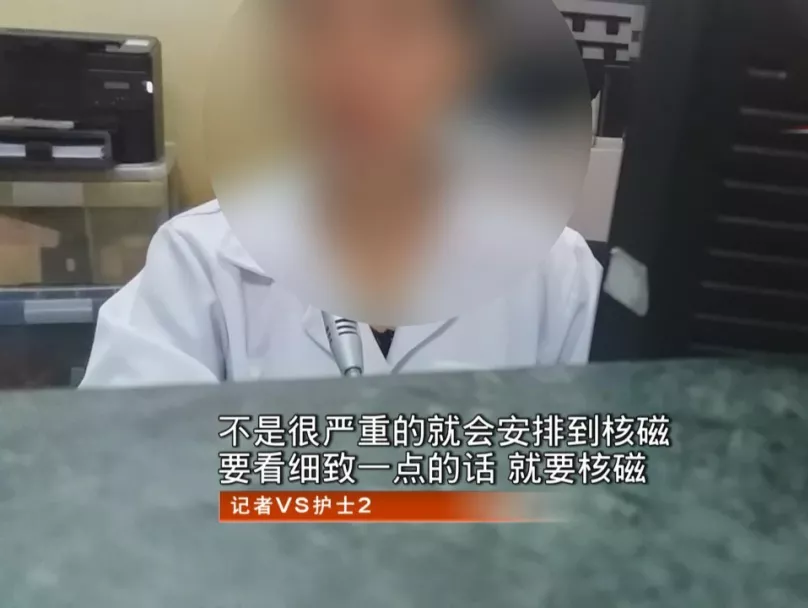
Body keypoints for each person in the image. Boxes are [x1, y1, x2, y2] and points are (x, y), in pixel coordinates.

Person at [80, 0, 601, 388]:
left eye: (399, 27)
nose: (354, 69)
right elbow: (120, 469)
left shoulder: (558, 274)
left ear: (469, 61)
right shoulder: (198, 265)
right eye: (314, 26)